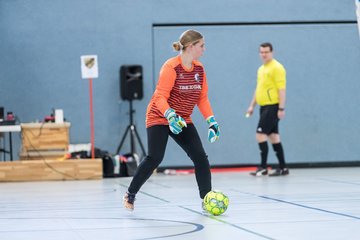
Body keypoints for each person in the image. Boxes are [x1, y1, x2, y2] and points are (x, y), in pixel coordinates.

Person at [123, 29, 220, 211]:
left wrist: (211, 121)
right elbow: (160, 96)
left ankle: (206, 198)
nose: (204, 49)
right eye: (201, 46)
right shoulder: (171, 67)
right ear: (191, 47)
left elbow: (202, 98)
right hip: (160, 115)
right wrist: (170, 115)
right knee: (155, 158)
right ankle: (131, 193)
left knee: (200, 157)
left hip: (182, 119)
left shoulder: (199, 69)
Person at [246, 42, 289, 177]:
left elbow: (282, 89)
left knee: (260, 134)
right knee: (273, 136)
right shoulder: (261, 69)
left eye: (266, 52)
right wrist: (252, 105)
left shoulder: (277, 68)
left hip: (273, 106)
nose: (264, 54)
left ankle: (263, 167)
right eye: (261, 52)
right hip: (263, 106)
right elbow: (258, 89)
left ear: (272, 52)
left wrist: (281, 108)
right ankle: (283, 168)